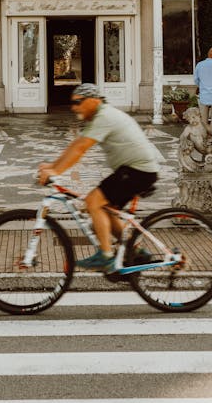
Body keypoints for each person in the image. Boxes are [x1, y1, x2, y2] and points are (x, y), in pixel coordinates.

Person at [37, 83, 161, 271]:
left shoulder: (104, 116)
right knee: (106, 208)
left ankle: (106, 256)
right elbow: (76, 144)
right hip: (135, 170)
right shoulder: (100, 116)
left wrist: (55, 172)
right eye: (73, 103)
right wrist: (52, 166)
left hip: (137, 170)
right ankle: (135, 250)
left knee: (94, 202)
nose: (74, 107)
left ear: (93, 100)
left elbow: (80, 149)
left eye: (78, 102)